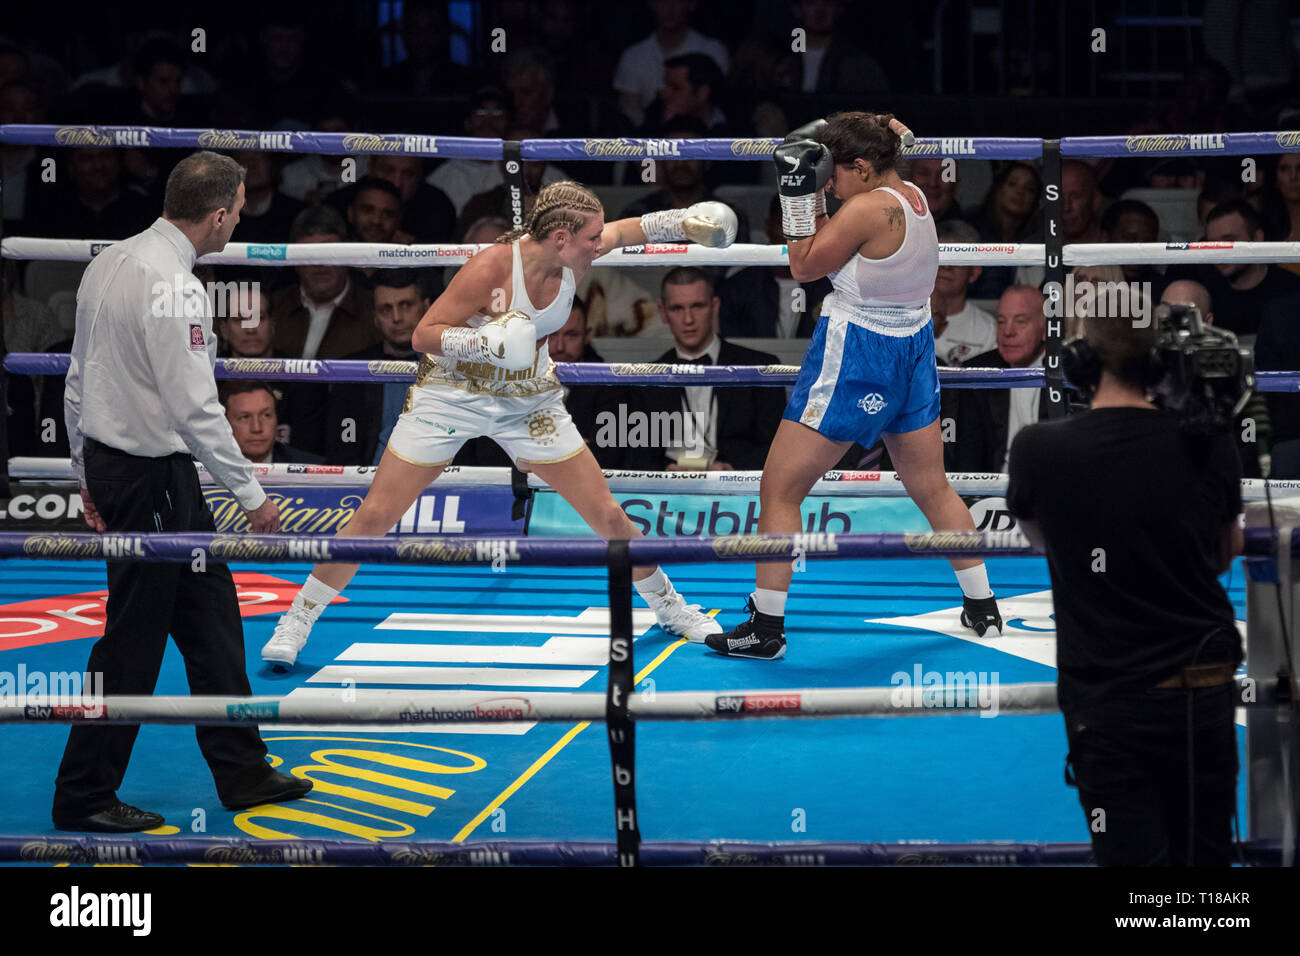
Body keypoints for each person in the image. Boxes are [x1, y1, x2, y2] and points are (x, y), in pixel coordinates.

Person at [261, 180, 740, 668]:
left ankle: (672, 608)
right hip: (453, 393)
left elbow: (631, 229)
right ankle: (297, 618)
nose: (600, 245)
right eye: (591, 238)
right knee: (377, 515)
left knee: (608, 516)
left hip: (527, 398)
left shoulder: (578, 252)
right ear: (559, 236)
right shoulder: (493, 266)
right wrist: (482, 343)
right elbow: (425, 332)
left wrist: (685, 221)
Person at [57, 150, 310, 832]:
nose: (239, 222)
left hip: (130, 470)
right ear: (220, 213)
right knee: (133, 640)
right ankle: (83, 792)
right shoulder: (174, 284)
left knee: (210, 617)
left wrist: (84, 472)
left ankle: (242, 767)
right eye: (239, 210)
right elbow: (198, 408)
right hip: (151, 479)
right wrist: (254, 496)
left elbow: (76, 379)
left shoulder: (109, 261)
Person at [710, 113, 1003, 660]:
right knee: (932, 486)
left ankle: (766, 627)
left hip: (859, 351)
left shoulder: (867, 208)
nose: (828, 182)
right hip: (914, 347)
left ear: (863, 168)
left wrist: (798, 192)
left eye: (835, 174)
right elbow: (896, 142)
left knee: (779, 488)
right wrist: (874, 126)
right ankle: (982, 602)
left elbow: (801, 265)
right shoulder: (912, 190)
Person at [1006, 312, 1243, 866]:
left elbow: (1041, 541)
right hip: (1204, 689)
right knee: (1207, 870)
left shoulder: (1039, 448)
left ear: (1081, 366)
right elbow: (1225, 550)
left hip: (1112, 703)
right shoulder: (1208, 441)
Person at [624, 267, 786, 470]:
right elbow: (637, 456)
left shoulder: (761, 367)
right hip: (669, 493)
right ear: (663, 313)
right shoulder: (645, 380)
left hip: (741, 492)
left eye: (697, 306)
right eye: (677, 308)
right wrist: (666, 471)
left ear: (715, 306)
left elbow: (778, 448)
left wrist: (730, 468)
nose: (688, 319)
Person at [946, 285, 1050, 472]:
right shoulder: (978, 372)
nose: (1007, 332)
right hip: (995, 491)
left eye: (1020, 321)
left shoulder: (1067, 371)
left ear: (1045, 330)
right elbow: (968, 454)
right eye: (1001, 321)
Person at [220, 380, 323, 464]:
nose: (257, 428)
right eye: (245, 417)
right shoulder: (206, 470)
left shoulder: (314, 469)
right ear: (224, 423)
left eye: (266, 415)